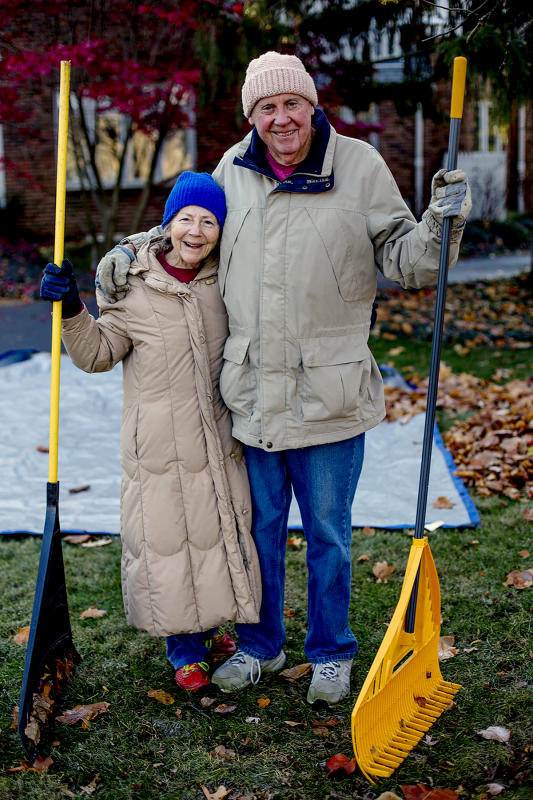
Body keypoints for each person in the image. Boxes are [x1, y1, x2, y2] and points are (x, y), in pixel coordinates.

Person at [95, 52, 472, 706]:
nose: (280, 118)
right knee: (258, 530)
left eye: (290, 104)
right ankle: (260, 645)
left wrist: (442, 222)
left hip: (329, 393)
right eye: (265, 108)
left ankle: (330, 652)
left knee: (328, 534)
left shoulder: (358, 167)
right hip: (252, 393)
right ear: (252, 117)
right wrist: (128, 255)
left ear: (311, 105)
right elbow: (185, 234)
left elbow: (409, 261)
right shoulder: (231, 171)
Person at [40, 172, 262, 692]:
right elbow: (95, 353)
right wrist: (71, 307)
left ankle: (211, 631)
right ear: (168, 224)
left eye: (209, 221)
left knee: (214, 535)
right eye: (187, 218)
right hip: (158, 441)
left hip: (218, 434)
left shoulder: (223, 282)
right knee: (167, 542)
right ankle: (183, 649)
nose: (197, 231)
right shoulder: (132, 286)